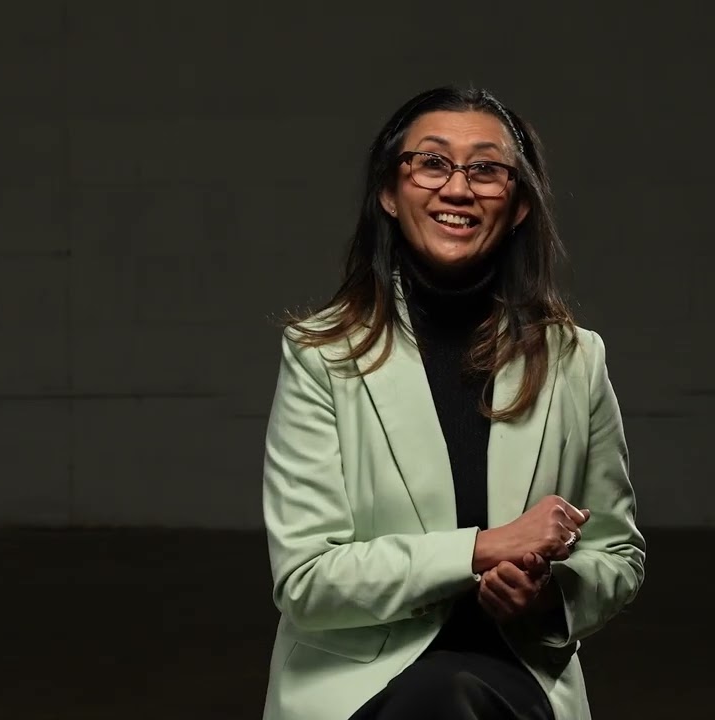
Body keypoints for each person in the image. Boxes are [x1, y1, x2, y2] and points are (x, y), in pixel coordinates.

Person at [260, 86, 645, 720]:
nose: (458, 188)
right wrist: (483, 548)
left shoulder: (576, 360)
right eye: (432, 163)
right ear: (390, 192)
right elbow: (307, 581)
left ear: (519, 204)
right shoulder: (320, 355)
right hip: (360, 684)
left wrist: (548, 598)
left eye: (487, 169)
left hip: (515, 671)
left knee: (455, 695)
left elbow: (617, 556)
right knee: (443, 697)